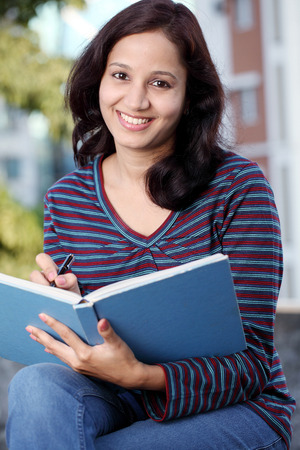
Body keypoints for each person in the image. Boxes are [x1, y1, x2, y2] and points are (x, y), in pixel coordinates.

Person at [6, 0, 295, 448]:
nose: (135, 100)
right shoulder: (66, 199)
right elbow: (82, 351)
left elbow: (253, 364)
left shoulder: (238, 188)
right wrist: (67, 310)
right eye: (120, 75)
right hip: (115, 398)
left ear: (189, 97)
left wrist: (143, 375)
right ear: (98, 79)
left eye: (160, 83)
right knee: (35, 387)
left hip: (235, 409)